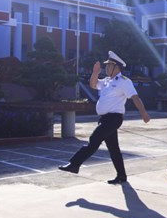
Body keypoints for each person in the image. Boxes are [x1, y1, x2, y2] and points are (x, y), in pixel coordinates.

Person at [59, 51, 150, 184]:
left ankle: (74, 164)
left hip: (114, 118)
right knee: (114, 149)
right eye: (106, 66)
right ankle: (121, 176)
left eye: (109, 66)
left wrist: (143, 113)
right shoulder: (107, 81)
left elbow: (135, 97)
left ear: (117, 67)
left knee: (94, 140)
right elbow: (93, 85)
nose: (106, 68)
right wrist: (95, 73)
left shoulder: (124, 81)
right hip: (105, 119)